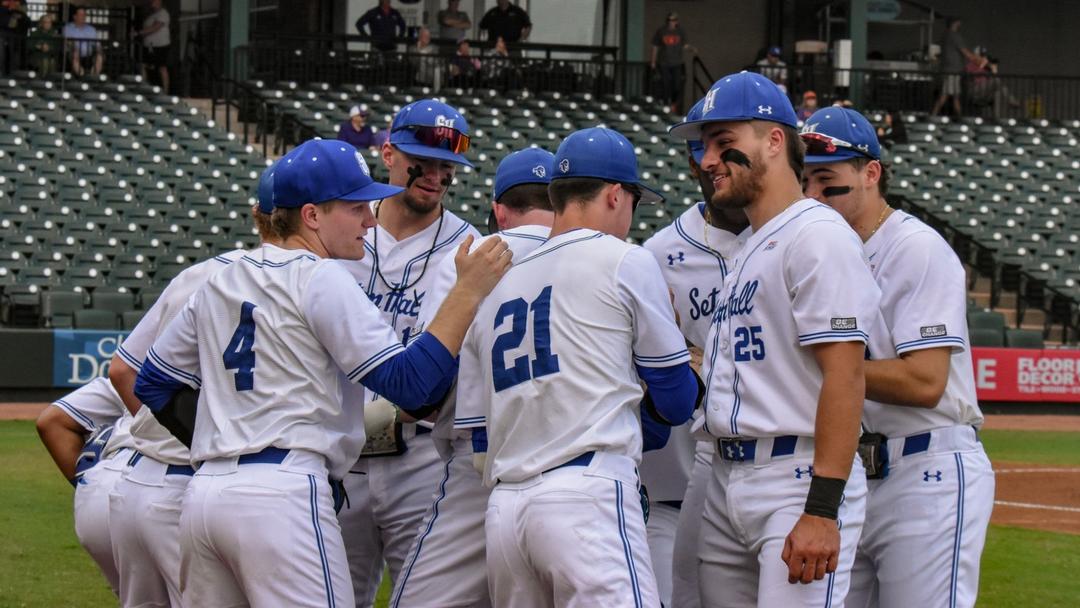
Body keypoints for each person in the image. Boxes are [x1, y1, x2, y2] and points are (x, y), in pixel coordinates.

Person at [132, 138, 511, 607]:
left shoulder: (221, 278)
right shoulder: (320, 276)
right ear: (312, 216)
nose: (370, 220)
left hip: (207, 495)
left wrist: (227, 440)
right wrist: (466, 293)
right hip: (284, 493)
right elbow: (413, 389)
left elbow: (152, 381)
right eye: (355, 208)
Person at [455, 126, 699, 607]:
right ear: (614, 195)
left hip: (505, 510)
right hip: (586, 497)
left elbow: (477, 431)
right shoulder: (624, 259)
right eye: (632, 201)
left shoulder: (498, 281)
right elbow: (676, 402)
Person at [668, 70, 881, 606]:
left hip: (796, 476)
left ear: (774, 139)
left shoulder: (817, 234)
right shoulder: (749, 248)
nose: (707, 159)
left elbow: (846, 373)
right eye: (703, 146)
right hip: (725, 473)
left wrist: (822, 508)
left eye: (723, 142)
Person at [800, 107, 995, 608]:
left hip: (925, 468)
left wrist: (816, 366)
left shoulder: (915, 248)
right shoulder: (823, 253)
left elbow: (926, 381)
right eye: (805, 182)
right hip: (855, 474)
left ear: (871, 173)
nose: (813, 196)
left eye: (828, 181)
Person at [103, 166, 282, 608]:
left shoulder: (200, 273)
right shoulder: (298, 285)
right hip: (193, 488)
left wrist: (164, 429)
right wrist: (202, 443)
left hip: (133, 486)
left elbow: (123, 372)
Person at [390, 146, 556, 608]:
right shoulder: (599, 255)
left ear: (499, 211)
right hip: (573, 463)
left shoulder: (471, 256)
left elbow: (426, 387)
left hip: (479, 465)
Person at [337, 99, 483, 607]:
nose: (437, 175)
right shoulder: (344, 230)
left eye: (448, 167)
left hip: (419, 458)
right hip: (339, 453)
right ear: (388, 153)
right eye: (424, 160)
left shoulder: (470, 247)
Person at [642, 96, 749, 608]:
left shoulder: (784, 240)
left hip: (757, 475)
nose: (715, 167)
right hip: (673, 489)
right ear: (694, 166)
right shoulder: (658, 254)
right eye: (704, 157)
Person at [35, 378, 135, 597]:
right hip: (165, 493)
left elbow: (51, 422)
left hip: (96, 496)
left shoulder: (136, 367)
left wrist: (89, 490)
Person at [932, 18, 979, 117]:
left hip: (948, 70)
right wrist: (978, 60)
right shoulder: (954, 36)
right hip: (952, 71)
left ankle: (958, 116)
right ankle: (933, 116)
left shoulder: (945, 35)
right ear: (955, 23)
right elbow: (966, 53)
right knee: (945, 95)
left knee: (955, 96)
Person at [651, 12, 692, 114]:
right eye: (669, 20)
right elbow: (655, 46)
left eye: (673, 20)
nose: (671, 22)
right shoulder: (661, 31)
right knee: (665, 84)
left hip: (677, 62)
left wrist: (692, 49)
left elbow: (685, 45)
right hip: (664, 62)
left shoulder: (680, 32)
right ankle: (665, 104)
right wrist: (653, 61)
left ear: (676, 22)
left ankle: (673, 103)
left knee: (677, 85)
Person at [136, 0, 170, 92]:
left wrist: (138, 33)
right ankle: (144, 88)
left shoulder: (163, 13)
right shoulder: (151, 15)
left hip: (160, 46)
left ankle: (165, 91)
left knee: (161, 67)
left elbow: (155, 27)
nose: (152, 3)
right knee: (144, 65)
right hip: (150, 46)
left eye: (155, 1)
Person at [63, 6, 103, 77]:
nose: (83, 17)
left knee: (99, 56)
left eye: (84, 15)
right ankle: (81, 76)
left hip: (89, 54)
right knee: (75, 53)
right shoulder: (68, 28)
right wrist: (75, 48)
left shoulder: (91, 29)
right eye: (81, 15)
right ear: (75, 17)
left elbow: (97, 44)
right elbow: (68, 42)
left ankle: (93, 77)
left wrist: (99, 50)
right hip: (73, 53)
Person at [0, 0, 28, 74]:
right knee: (2, 56)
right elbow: (8, 23)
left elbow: (25, 20)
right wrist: (8, 9)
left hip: (16, 37)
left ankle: (14, 75)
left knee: (15, 58)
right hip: (3, 35)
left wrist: (18, 11)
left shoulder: (21, 3)